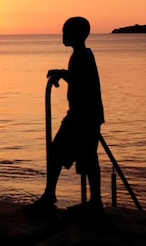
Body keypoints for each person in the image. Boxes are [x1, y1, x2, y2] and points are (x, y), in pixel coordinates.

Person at [28, 16, 105, 214]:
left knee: (60, 152)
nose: (63, 35)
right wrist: (63, 73)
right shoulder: (82, 54)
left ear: (77, 34)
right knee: (87, 157)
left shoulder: (82, 56)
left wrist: (63, 74)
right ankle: (94, 201)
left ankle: (52, 196)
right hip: (85, 114)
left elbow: (81, 80)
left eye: (66, 31)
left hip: (83, 115)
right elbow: (81, 79)